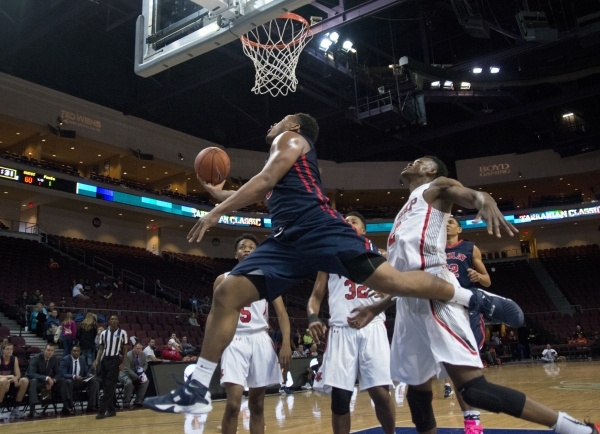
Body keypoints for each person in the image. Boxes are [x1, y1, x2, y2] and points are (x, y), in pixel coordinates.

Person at [143, 114, 526, 415]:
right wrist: (220, 192)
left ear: (293, 127)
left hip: (321, 227)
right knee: (227, 290)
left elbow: (262, 181)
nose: (271, 125)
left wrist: (218, 211)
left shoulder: (289, 140)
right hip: (288, 239)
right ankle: (197, 389)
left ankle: (475, 299)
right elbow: (266, 187)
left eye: (279, 120)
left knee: (396, 283)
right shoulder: (282, 159)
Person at [347, 156, 598, 434]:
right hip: (408, 302)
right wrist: (377, 307)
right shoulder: (406, 207)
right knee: (417, 396)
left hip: (436, 293)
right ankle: (473, 298)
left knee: (475, 390)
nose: (409, 163)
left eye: (418, 161)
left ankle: (570, 427)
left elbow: (468, 194)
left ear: (430, 170)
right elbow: (403, 274)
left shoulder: (436, 186)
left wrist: (484, 200)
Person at [307, 211, 395, 434]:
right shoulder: (329, 259)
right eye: (344, 221)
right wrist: (312, 317)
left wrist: (386, 290)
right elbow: (316, 296)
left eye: (353, 221)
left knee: (381, 393)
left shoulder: (380, 255)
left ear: (363, 230)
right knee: (340, 396)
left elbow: (398, 287)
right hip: (340, 329)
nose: (347, 223)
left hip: (372, 327)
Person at [216, 234, 291, 434]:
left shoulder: (269, 277)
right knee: (233, 404)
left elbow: (282, 314)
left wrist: (286, 344)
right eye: (242, 247)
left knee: (257, 405)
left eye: (251, 246)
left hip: (260, 339)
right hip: (234, 339)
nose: (247, 249)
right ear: (235, 254)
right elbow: (214, 317)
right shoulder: (222, 279)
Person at [443, 216, 494, 433]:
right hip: (443, 306)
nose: (447, 224)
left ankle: (473, 410)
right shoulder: (433, 248)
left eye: (452, 221)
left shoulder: (470, 248)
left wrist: (477, 275)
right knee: (453, 361)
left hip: (466, 306)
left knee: (469, 359)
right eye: (444, 221)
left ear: (459, 228)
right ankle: (470, 419)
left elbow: (487, 280)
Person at [93, 315, 127, 419]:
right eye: (111, 319)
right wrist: (97, 360)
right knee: (105, 385)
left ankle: (102, 411)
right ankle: (112, 410)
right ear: (108, 321)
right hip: (105, 360)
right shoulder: (103, 333)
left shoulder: (122, 333)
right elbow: (101, 348)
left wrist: (123, 362)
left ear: (118, 321)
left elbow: (125, 348)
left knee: (109, 385)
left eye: (115, 319)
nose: (113, 320)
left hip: (115, 359)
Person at [26, 343, 63, 418]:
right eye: (48, 350)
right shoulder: (36, 358)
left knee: (62, 380)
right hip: (31, 380)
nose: (50, 352)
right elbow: (32, 374)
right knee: (34, 381)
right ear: (44, 350)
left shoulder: (53, 359)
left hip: (43, 381)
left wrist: (53, 381)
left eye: (52, 350)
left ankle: (67, 406)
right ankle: (32, 411)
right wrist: (46, 378)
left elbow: (58, 373)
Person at [59, 345, 99, 415]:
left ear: (80, 352)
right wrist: (74, 376)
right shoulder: (65, 359)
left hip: (80, 381)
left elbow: (86, 372)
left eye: (78, 351)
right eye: (74, 351)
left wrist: (89, 375)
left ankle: (91, 406)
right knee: (68, 382)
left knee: (94, 381)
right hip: (70, 382)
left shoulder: (82, 359)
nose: (76, 353)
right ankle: (69, 406)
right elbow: (63, 374)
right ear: (71, 351)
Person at [0, 343, 28, 419]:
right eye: (7, 349)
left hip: (10, 383)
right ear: (3, 350)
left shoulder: (14, 359)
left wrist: (9, 381)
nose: (9, 351)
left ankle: (16, 409)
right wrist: (10, 376)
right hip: (1, 383)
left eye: (11, 349)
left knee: (24, 380)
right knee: (3, 380)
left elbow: (18, 375)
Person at [119, 343, 149, 409]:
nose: (139, 350)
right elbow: (127, 369)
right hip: (125, 373)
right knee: (129, 383)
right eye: (138, 348)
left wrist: (142, 371)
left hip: (137, 374)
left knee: (146, 381)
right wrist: (136, 377)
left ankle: (138, 401)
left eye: (141, 349)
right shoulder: (128, 355)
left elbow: (145, 364)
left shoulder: (143, 354)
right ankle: (126, 403)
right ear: (134, 348)